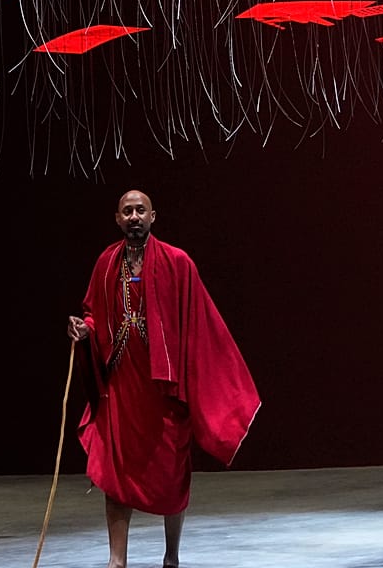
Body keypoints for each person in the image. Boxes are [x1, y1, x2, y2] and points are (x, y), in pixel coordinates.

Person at [67, 190, 260, 568]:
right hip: (122, 388)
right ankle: (116, 560)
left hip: (164, 388)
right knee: (114, 470)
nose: (135, 216)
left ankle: (171, 555)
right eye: (128, 211)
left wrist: (192, 381)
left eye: (141, 210)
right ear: (118, 219)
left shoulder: (178, 263)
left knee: (172, 473)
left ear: (153, 216)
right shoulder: (106, 263)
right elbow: (94, 313)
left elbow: (199, 324)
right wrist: (84, 329)